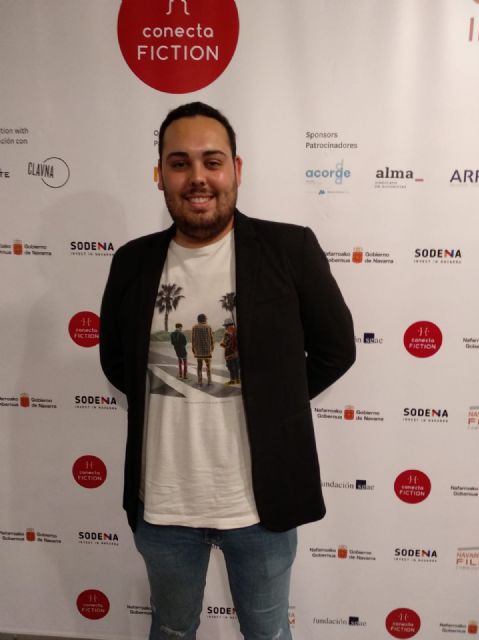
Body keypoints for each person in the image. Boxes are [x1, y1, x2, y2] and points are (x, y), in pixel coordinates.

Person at [100, 102, 356, 640]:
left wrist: (271, 399)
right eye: (179, 163)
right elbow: (117, 361)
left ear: (236, 169)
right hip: (162, 506)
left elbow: (336, 351)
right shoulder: (132, 262)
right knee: (172, 630)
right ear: (159, 175)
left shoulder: (290, 249)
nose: (197, 177)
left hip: (261, 507)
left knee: (267, 633)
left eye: (212, 161)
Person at [191, 313, 214, 385]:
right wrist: (212, 347)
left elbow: (193, 339)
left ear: (198, 319)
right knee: (208, 366)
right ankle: (209, 381)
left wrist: (193, 349)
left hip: (198, 351)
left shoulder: (194, 327)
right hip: (207, 351)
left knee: (199, 366)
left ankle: (200, 381)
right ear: (204, 319)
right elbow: (211, 338)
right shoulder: (208, 327)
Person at [220, 317, 240, 385]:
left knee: (231, 367)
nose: (225, 327)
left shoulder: (227, 333)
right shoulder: (236, 331)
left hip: (229, 354)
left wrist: (222, 344)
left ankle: (232, 380)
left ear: (227, 325)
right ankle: (238, 380)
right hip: (236, 353)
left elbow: (224, 344)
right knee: (236, 367)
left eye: (225, 326)